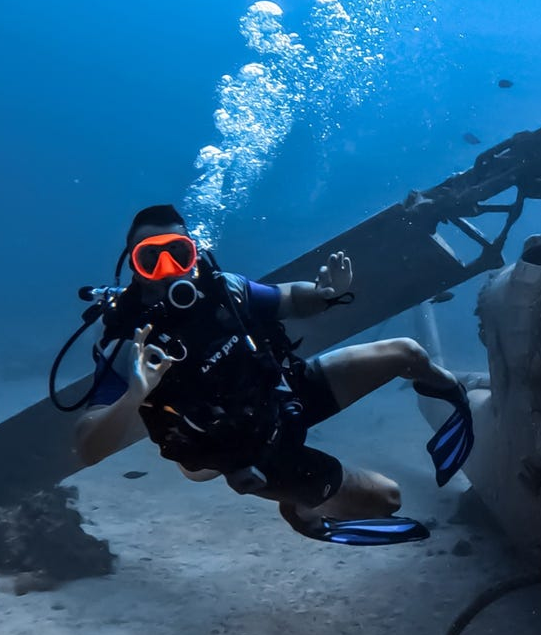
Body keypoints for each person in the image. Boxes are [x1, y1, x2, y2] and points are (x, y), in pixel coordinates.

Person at [71, 205, 473, 545]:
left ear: (194, 253)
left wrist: (325, 293)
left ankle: (453, 397)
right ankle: (302, 512)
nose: (167, 270)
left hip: (281, 395)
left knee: (407, 352)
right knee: (387, 499)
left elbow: (288, 299)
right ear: (133, 267)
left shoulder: (224, 288)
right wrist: (134, 394)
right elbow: (89, 448)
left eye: (178, 253)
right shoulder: (125, 341)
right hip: (239, 452)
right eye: (150, 259)